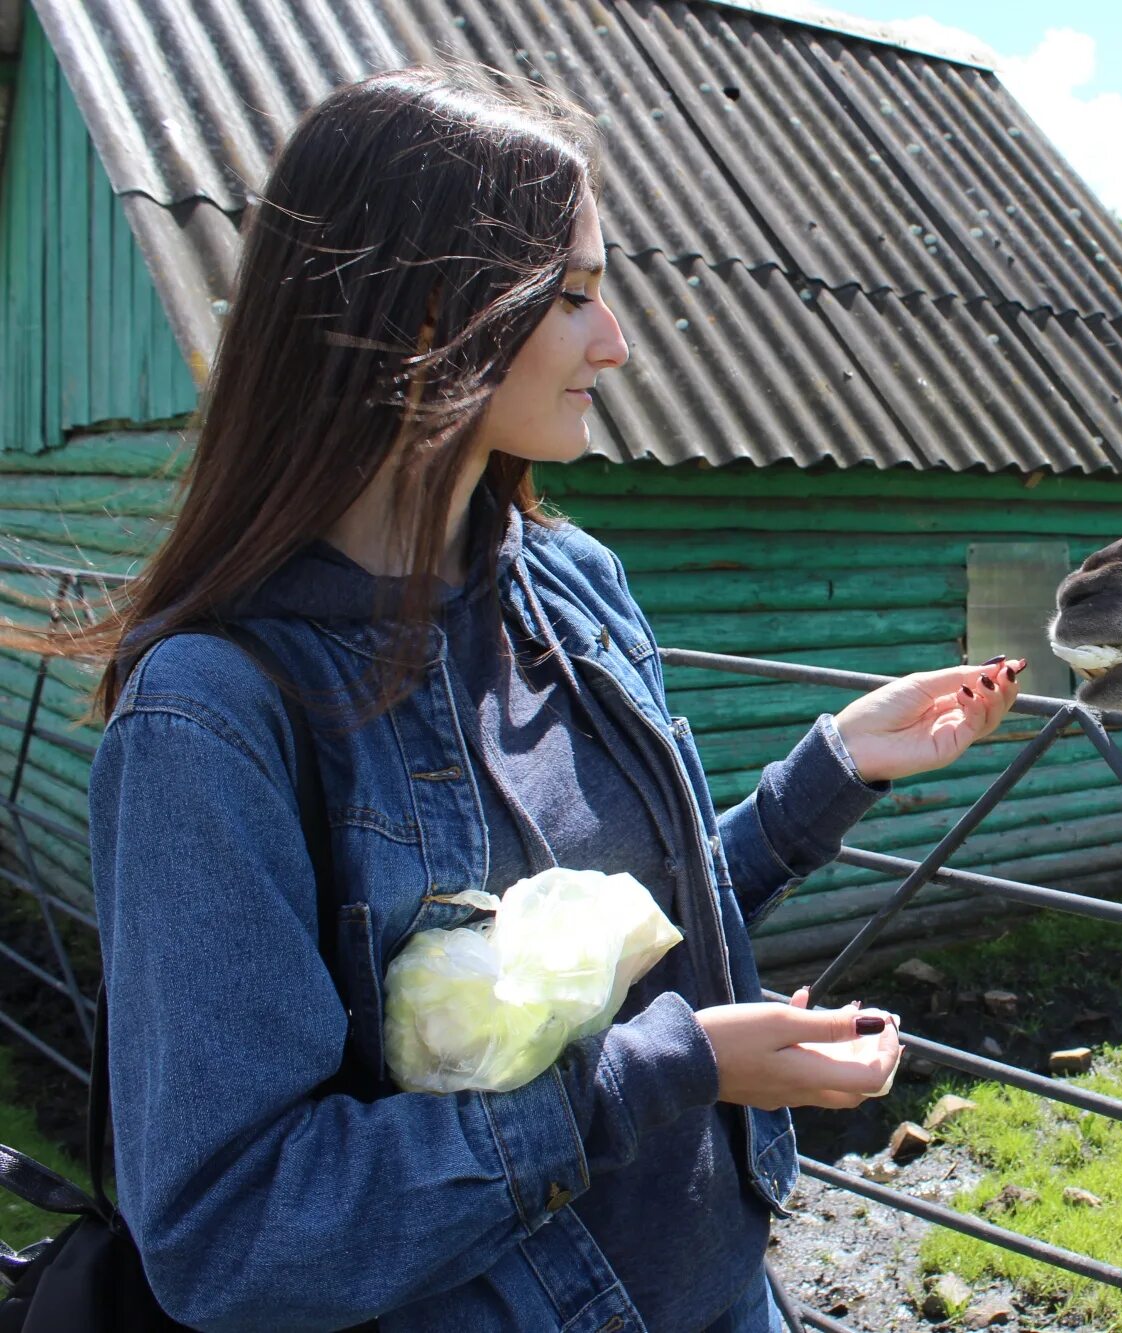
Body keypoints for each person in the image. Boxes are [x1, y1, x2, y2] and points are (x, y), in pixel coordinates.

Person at [3, 65, 1024, 1331]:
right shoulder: (212, 719)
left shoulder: (574, 582)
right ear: (432, 314)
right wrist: (674, 1068)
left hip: (725, 1295)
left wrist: (830, 772)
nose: (619, 340)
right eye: (579, 296)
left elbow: (610, 945)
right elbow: (236, 1229)